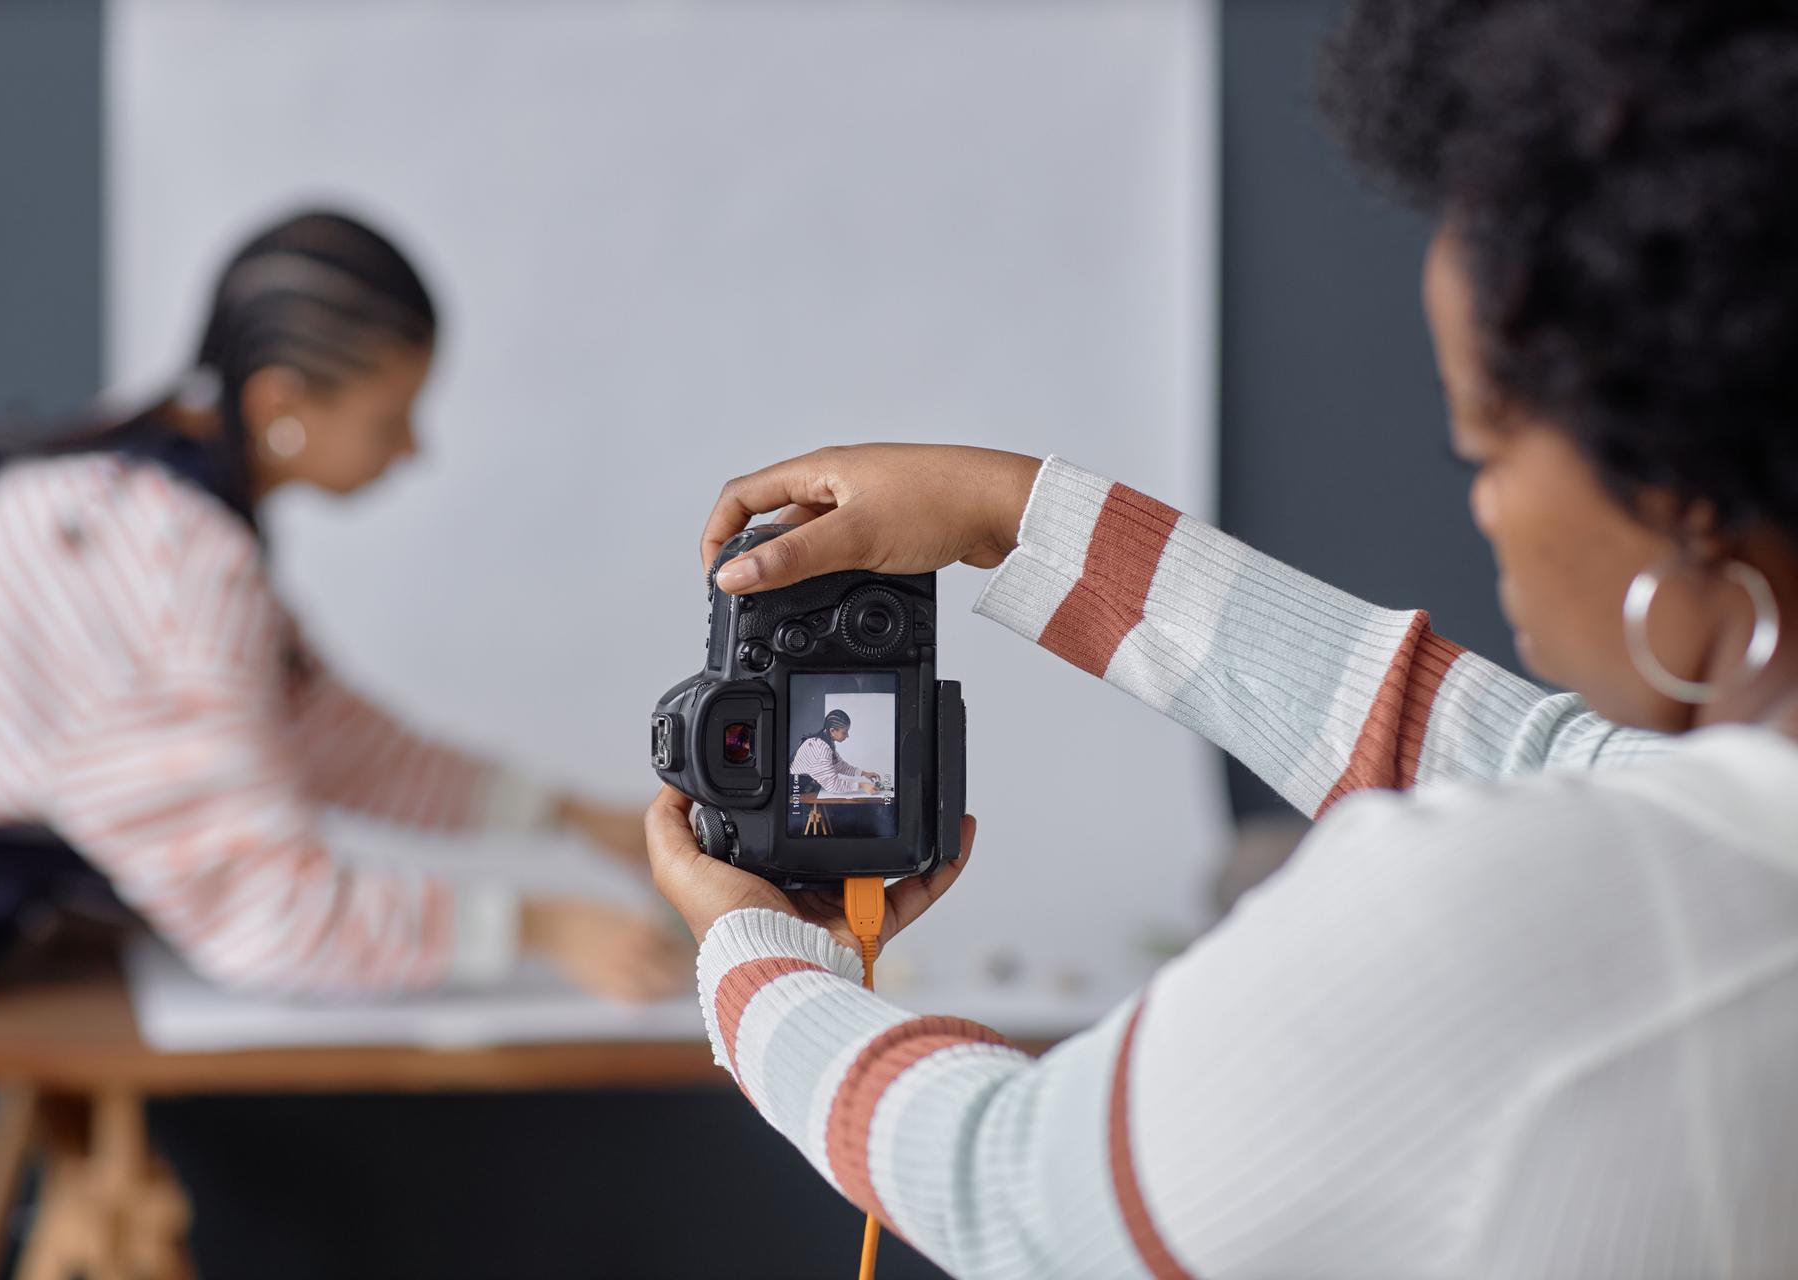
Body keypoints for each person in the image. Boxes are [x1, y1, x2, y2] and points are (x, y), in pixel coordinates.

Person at [645, 0, 1798, 1275]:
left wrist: (750, 947)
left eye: (1488, 444)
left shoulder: (1527, 913)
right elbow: (1480, 745)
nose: (1483, 504)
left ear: (1678, 484)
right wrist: (1011, 514)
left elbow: (1017, 1187)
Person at [0, 210, 688, 1008]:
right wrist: (540, 928)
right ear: (280, 404)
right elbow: (271, 913)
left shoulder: (133, 498)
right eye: (390, 418)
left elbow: (325, 735)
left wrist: (572, 818)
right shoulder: (181, 568)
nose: (413, 450)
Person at [788, 710, 881, 796]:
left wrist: (864, 774)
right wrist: (862, 785)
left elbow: (839, 765)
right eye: (844, 732)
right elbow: (833, 785)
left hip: (804, 783)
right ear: (832, 731)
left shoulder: (824, 741)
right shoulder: (821, 749)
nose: (847, 736)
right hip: (794, 788)